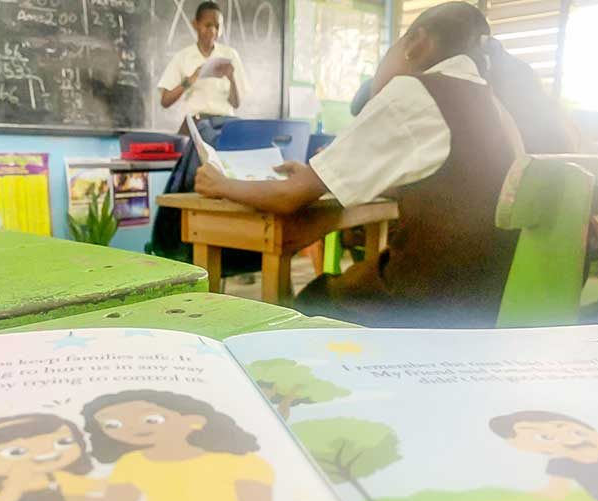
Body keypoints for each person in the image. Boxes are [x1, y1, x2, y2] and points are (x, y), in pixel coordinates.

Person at [195, 1, 525, 328]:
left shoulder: (416, 89)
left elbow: (289, 198)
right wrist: (316, 175)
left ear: (416, 44)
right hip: (490, 298)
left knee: (312, 300)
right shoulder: (495, 107)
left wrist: (220, 183)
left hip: (428, 302)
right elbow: (449, 183)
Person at [149, 1, 257, 271]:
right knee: (197, 189)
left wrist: (231, 77)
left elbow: (238, 101)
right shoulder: (184, 57)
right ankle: (186, 251)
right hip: (198, 127)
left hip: (226, 127)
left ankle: (232, 254)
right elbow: (165, 100)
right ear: (195, 25)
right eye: (208, 25)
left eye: (217, 26)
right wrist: (193, 78)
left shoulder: (229, 54)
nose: (212, 31)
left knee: (230, 188)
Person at [70, 389, 274, 501]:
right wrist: (51, 499)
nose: (131, 428)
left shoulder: (243, 463)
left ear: (194, 420)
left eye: (152, 419)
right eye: (112, 425)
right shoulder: (132, 463)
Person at [489, 411, 598, 501]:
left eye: (578, 433)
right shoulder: (561, 463)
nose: (570, 439)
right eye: (546, 437)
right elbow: (557, 492)